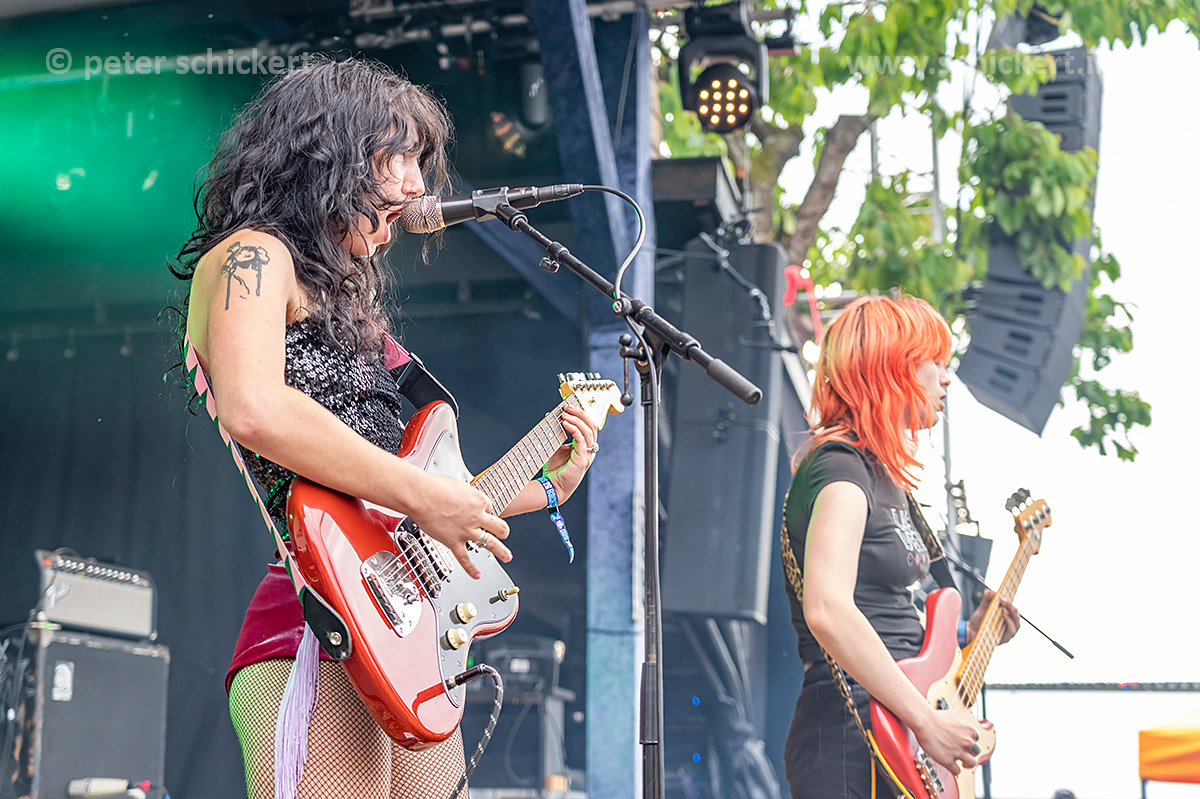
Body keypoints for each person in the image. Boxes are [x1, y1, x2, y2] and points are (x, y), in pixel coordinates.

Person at [170, 56, 601, 799]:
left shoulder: (351, 306)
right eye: (399, 157)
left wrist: (545, 488)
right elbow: (255, 409)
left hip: (399, 625)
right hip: (312, 622)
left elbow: (413, 503)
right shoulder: (251, 254)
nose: (416, 185)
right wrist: (426, 496)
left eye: (421, 164)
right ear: (329, 150)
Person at [780, 295, 1020, 798]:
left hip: (899, 729)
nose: (946, 379)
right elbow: (827, 609)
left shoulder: (884, 479)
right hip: (853, 736)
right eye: (936, 363)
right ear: (892, 367)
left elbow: (890, 619)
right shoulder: (839, 467)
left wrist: (968, 636)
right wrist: (926, 722)